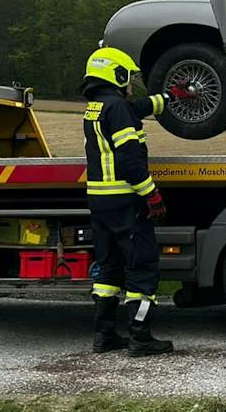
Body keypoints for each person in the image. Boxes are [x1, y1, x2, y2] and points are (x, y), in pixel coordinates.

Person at [81, 47, 192, 358]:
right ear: (115, 75)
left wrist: (171, 97)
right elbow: (130, 161)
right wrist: (152, 195)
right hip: (125, 201)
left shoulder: (98, 106)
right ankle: (140, 338)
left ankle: (104, 336)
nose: (130, 84)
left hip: (100, 201)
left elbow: (137, 107)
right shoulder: (116, 108)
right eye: (127, 78)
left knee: (108, 270)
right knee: (142, 267)